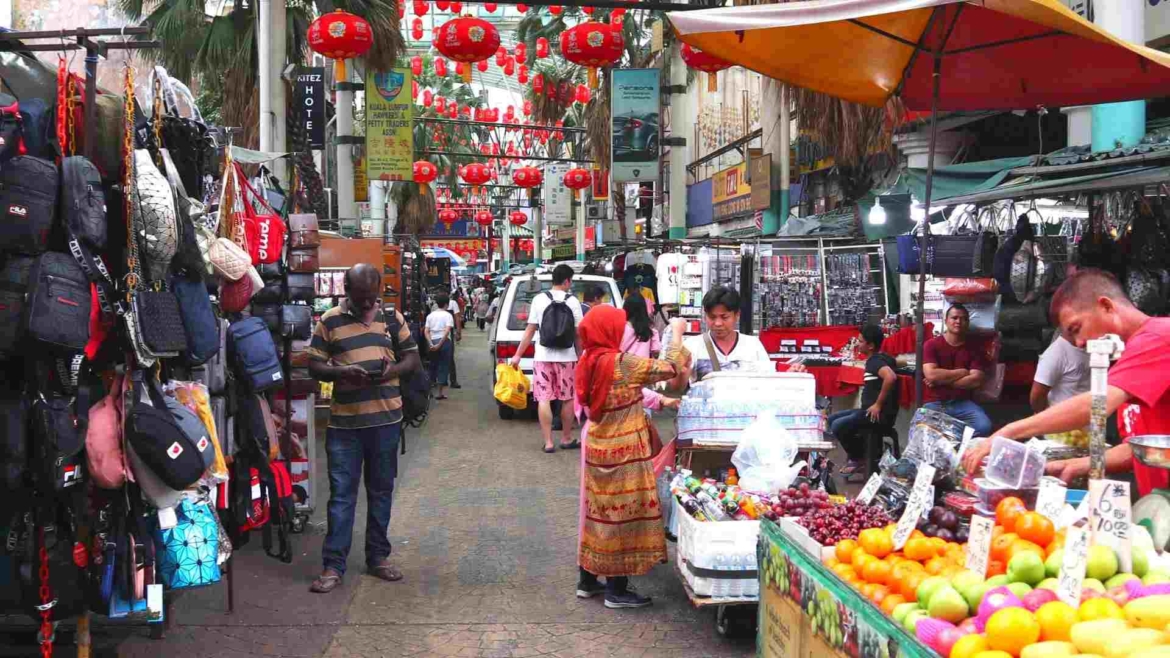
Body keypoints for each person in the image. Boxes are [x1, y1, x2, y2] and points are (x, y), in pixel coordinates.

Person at [962, 269, 1170, 495]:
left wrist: (1008, 432)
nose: (1080, 343)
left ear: (1106, 306)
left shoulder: (1159, 337)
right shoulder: (1130, 364)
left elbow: (1097, 405)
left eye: (1076, 328)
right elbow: (1137, 450)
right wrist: (1074, 464)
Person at [306, 264, 420, 593]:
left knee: (381, 491)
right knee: (342, 496)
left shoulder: (391, 316)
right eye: (361, 298)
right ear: (346, 291)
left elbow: (412, 359)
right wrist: (341, 373)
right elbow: (314, 365)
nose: (368, 304)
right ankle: (333, 566)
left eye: (372, 297)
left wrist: (390, 371)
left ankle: (378, 558)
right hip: (345, 426)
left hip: (386, 421)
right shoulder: (329, 320)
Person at [575, 307, 689, 609]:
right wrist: (675, 332)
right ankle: (616, 589)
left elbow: (631, 390)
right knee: (622, 517)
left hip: (599, 444)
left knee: (597, 514)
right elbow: (669, 367)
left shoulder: (588, 359)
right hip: (624, 451)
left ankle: (587, 581)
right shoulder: (621, 363)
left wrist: (660, 400)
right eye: (618, 325)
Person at [510, 264, 583, 453]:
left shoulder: (539, 299)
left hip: (542, 356)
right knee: (567, 398)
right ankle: (566, 438)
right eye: (571, 281)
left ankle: (549, 442)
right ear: (567, 280)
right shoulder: (573, 301)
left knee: (544, 399)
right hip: (567, 357)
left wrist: (518, 355)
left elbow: (530, 329)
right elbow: (578, 335)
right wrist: (581, 356)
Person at [826, 325, 899, 479]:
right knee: (832, 419)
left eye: (860, 341)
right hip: (869, 411)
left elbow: (890, 377)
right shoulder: (883, 358)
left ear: (870, 345)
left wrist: (878, 404)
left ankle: (859, 458)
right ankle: (868, 451)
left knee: (838, 425)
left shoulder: (874, 361)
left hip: (877, 415)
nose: (857, 344)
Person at [921, 304, 994, 438]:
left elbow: (975, 380)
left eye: (963, 319)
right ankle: (953, 437)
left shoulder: (975, 349)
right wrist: (963, 372)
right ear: (946, 320)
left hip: (962, 403)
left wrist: (940, 381)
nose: (958, 322)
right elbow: (931, 375)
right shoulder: (931, 345)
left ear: (968, 322)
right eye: (954, 318)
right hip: (935, 402)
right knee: (922, 431)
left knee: (984, 426)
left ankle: (950, 435)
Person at [681, 286, 771, 382]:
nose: (718, 323)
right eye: (712, 317)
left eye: (724, 317)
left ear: (737, 315)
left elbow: (768, 381)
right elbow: (674, 388)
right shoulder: (691, 345)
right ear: (705, 316)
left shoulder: (753, 345)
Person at [1030, 335, 1090, 413]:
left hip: (1089, 418)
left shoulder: (1095, 346)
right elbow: (1037, 397)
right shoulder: (1055, 354)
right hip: (1064, 420)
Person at [425, 292, 456, 400]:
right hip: (445, 342)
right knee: (443, 367)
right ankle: (440, 393)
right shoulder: (448, 315)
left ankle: (429, 393)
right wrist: (440, 344)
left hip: (432, 341)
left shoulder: (430, 315)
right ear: (447, 304)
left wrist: (431, 343)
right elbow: (447, 332)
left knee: (432, 367)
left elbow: (426, 331)